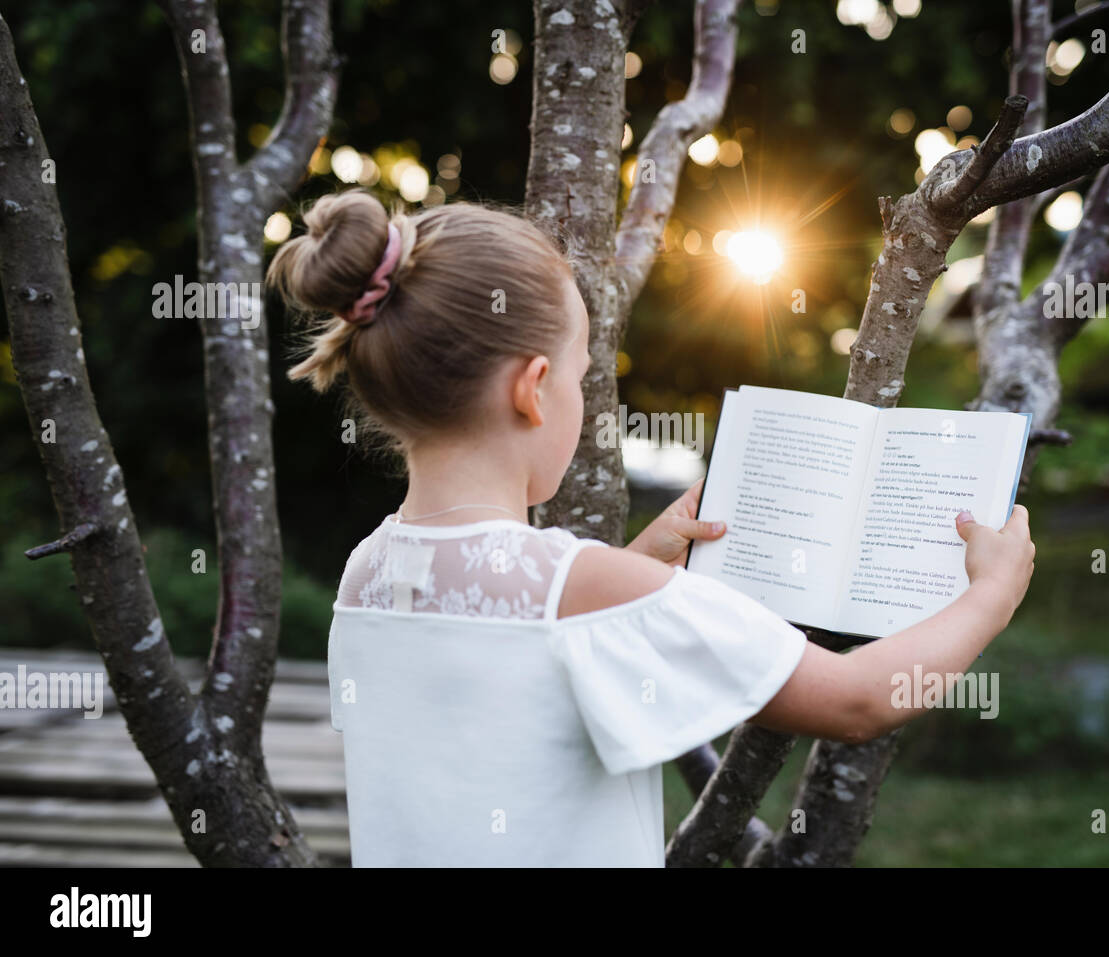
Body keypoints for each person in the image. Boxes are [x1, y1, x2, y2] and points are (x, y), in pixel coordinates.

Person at [266, 189, 1035, 867]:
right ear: (535, 390)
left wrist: (642, 564)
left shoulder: (366, 574)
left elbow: (518, 660)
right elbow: (858, 700)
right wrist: (990, 595)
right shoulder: (589, 589)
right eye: (578, 373)